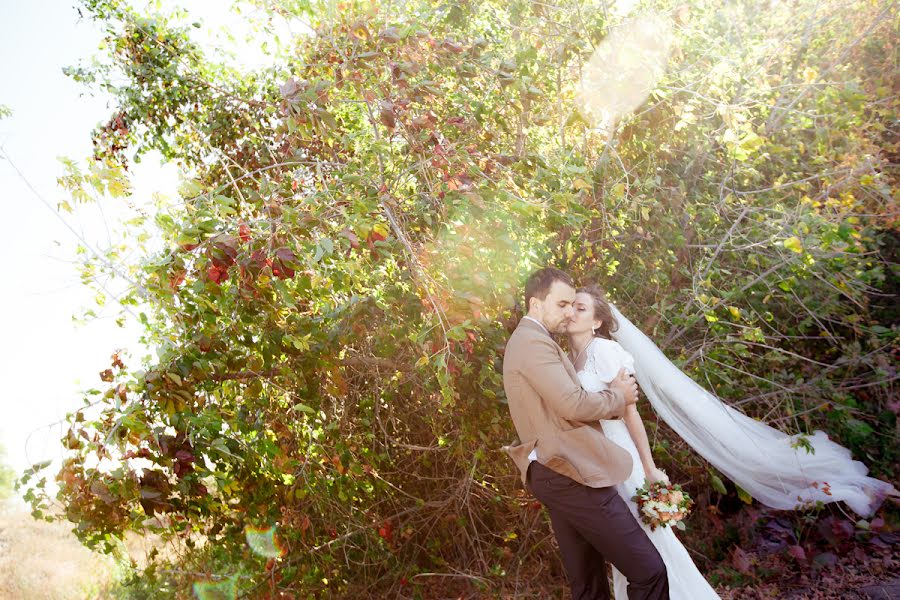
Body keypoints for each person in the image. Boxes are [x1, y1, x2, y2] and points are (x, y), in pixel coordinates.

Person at [502, 267, 669, 600]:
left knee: (588, 584)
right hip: (570, 472)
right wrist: (620, 398)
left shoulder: (533, 340)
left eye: (573, 306)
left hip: (556, 471)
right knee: (649, 572)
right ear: (536, 304)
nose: (568, 312)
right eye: (562, 304)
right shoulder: (533, 343)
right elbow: (573, 404)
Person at [569, 285, 719, 599]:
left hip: (620, 453)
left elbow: (630, 412)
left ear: (597, 321)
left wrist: (649, 469)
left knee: (647, 539)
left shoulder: (604, 351)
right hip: (595, 457)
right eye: (570, 305)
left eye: (581, 308)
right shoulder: (569, 357)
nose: (572, 311)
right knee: (624, 547)